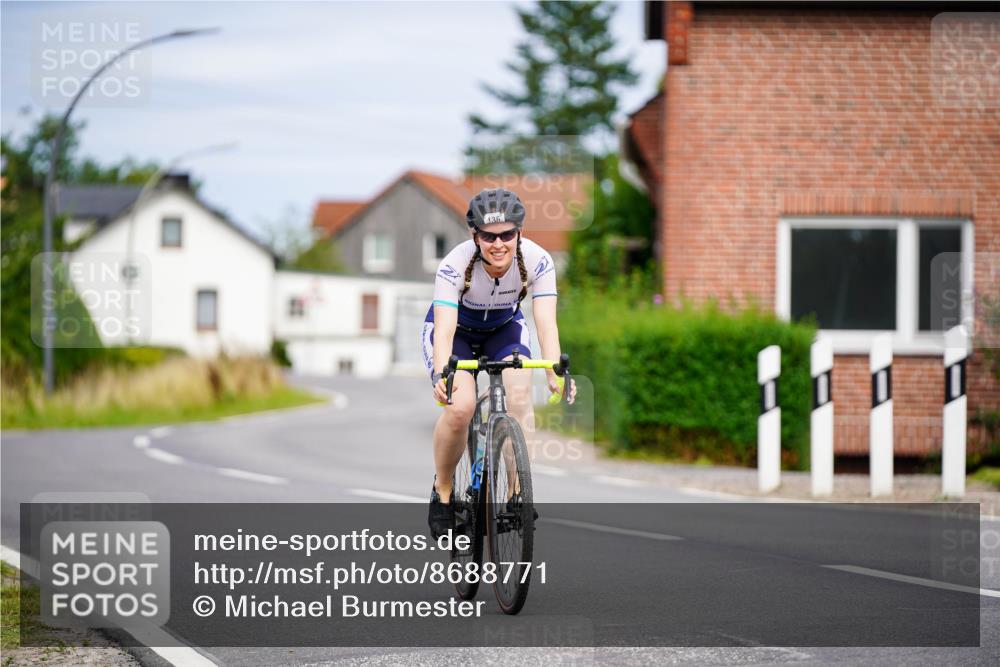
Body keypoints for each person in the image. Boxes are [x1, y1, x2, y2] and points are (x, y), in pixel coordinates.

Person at [421, 187, 576, 539]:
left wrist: (554, 370)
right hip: (457, 332)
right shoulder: (453, 265)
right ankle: (443, 490)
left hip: (503, 329)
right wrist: (443, 373)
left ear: (519, 233)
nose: (498, 244)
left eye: (507, 234)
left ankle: (516, 493)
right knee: (460, 408)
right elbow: (444, 333)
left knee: (519, 398)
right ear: (475, 236)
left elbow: (546, 322)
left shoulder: (538, 261)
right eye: (488, 236)